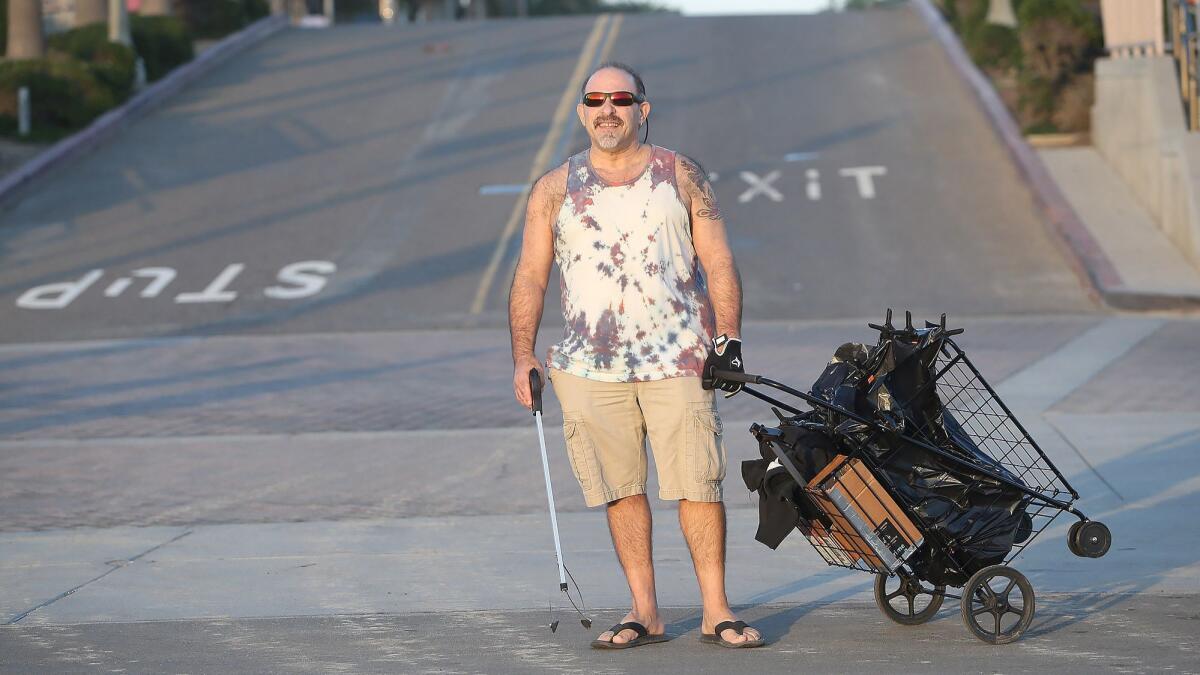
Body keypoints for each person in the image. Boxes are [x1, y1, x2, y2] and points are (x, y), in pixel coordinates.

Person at [508, 61, 762, 650]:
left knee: (698, 483)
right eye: (595, 100)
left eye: (621, 99)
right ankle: (644, 611)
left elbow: (720, 261)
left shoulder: (681, 174)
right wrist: (523, 355)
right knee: (622, 489)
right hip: (589, 368)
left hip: (679, 360)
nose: (607, 110)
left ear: (642, 110)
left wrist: (728, 339)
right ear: (582, 113)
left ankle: (716, 611)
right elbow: (530, 277)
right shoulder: (554, 188)